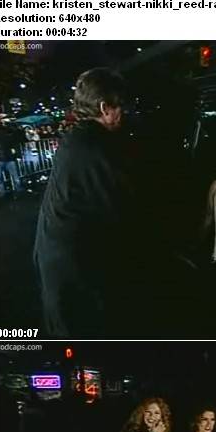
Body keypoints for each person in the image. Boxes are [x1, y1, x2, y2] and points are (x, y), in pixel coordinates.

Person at [33, 67, 134, 333]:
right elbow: (118, 207)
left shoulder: (78, 138)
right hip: (74, 264)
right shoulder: (95, 147)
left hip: (58, 256)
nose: (123, 112)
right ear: (104, 108)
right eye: (119, 106)